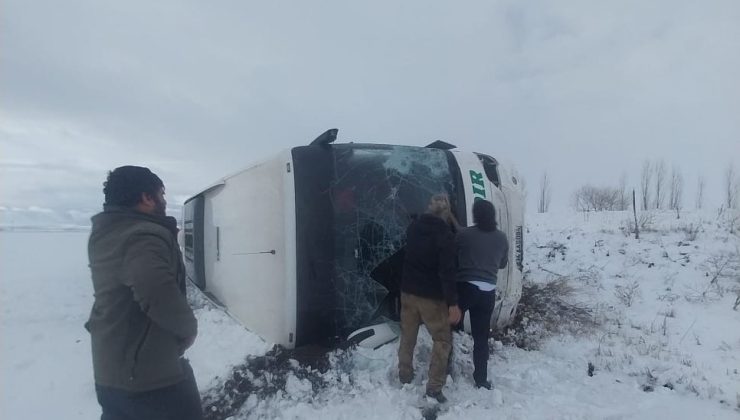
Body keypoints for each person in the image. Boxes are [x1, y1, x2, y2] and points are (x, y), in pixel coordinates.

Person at [86, 166, 203, 420]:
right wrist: (187, 329)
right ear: (146, 197)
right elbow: (155, 288)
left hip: (112, 370)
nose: (164, 200)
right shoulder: (142, 235)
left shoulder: (108, 232)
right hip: (147, 376)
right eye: (161, 193)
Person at [397, 193, 462, 403]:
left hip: (407, 292)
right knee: (442, 340)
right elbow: (447, 271)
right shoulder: (445, 235)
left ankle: (404, 375)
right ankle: (434, 388)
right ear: (446, 213)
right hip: (431, 298)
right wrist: (453, 303)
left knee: (408, 336)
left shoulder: (413, 227)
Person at [454, 199, 509, 390]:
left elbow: (454, 248)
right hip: (488, 293)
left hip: (466, 288)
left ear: (475, 215)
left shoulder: (465, 235)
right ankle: (481, 380)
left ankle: (445, 370)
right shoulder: (502, 238)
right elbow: (502, 264)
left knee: (447, 327)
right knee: (480, 338)